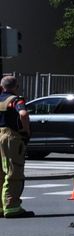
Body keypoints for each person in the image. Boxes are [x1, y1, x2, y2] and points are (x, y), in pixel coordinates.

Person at [0, 75, 33, 218]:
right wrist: (26, 131)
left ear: (2, 87)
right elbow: (23, 114)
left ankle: (1, 207)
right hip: (10, 137)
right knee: (14, 171)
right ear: (15, 87)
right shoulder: (15, 100)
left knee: (1, 172)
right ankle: (12, 207)